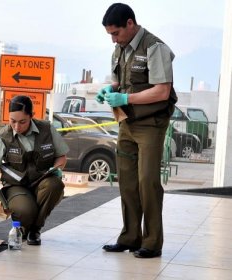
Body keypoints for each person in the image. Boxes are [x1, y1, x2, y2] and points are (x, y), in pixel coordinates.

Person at [97, 3, 177, 258]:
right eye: (110, 34)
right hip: (126, 123)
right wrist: (110, 90)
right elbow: (118, 81)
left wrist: (126, 99)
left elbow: (162, 91)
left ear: (130, 24)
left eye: (116, 33)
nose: (113, 39)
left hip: (150, 124)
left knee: (147, 182)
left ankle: (152, 242)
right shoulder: (119, 50)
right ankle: (130, 236)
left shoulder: (155, 48)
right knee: (128, 182)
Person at [0, 95, 69, 246]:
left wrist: (58, 169)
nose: (16, 126)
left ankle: (35, 229)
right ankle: (23, 225)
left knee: (55, 185)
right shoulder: (3, 137)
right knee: (25, 211)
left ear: (32, 116)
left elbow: (61, 156)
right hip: (16, 187)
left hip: (42, 181)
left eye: (22, 122)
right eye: (12, 121)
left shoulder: (46, 129)